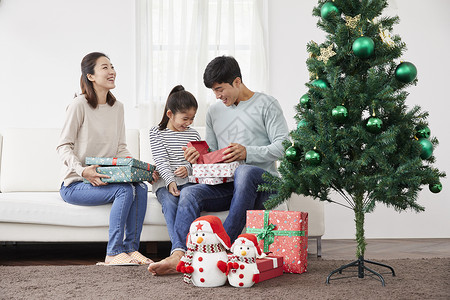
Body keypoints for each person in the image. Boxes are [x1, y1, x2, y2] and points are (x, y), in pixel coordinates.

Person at [148, 55, 289, 275]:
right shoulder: (215, 111)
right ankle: (180, 254)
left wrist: (247, 152)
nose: (217, 96)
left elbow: (284, 146)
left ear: (237, 81)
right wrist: (198, 156)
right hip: (228, 185)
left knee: (244, 170)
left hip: (263, 183)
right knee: (190, 193)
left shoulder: (266, 104)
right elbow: (211, 154)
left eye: (220, 89)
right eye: (213, 91)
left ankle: (222, 247)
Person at [57, 52, 153, 266]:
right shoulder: (78, 105)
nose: (112, 72)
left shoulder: (117, 107)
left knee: (141, 186)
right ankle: (113, 252)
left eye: (112, 67)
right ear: (90, 76)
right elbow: (63, 146)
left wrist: (140, 169)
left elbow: (120, 148)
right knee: (125, 190)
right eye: (105, 67)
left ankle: (131, 249)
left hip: (107, 177)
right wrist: (83, 171)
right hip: (76, 183)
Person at [147, 85, 200, 273]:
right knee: (170, 203)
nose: (189, 122)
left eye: (192, 118)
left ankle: (179, 255)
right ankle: (179, 252)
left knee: (188, 201)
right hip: (164, 182)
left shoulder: (193, 134)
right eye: (185, 118)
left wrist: (187, 168)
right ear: (170, 114)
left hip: (189, 183)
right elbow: (161, 160)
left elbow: (199, 161)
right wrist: (170, 183)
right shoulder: (156, 132)